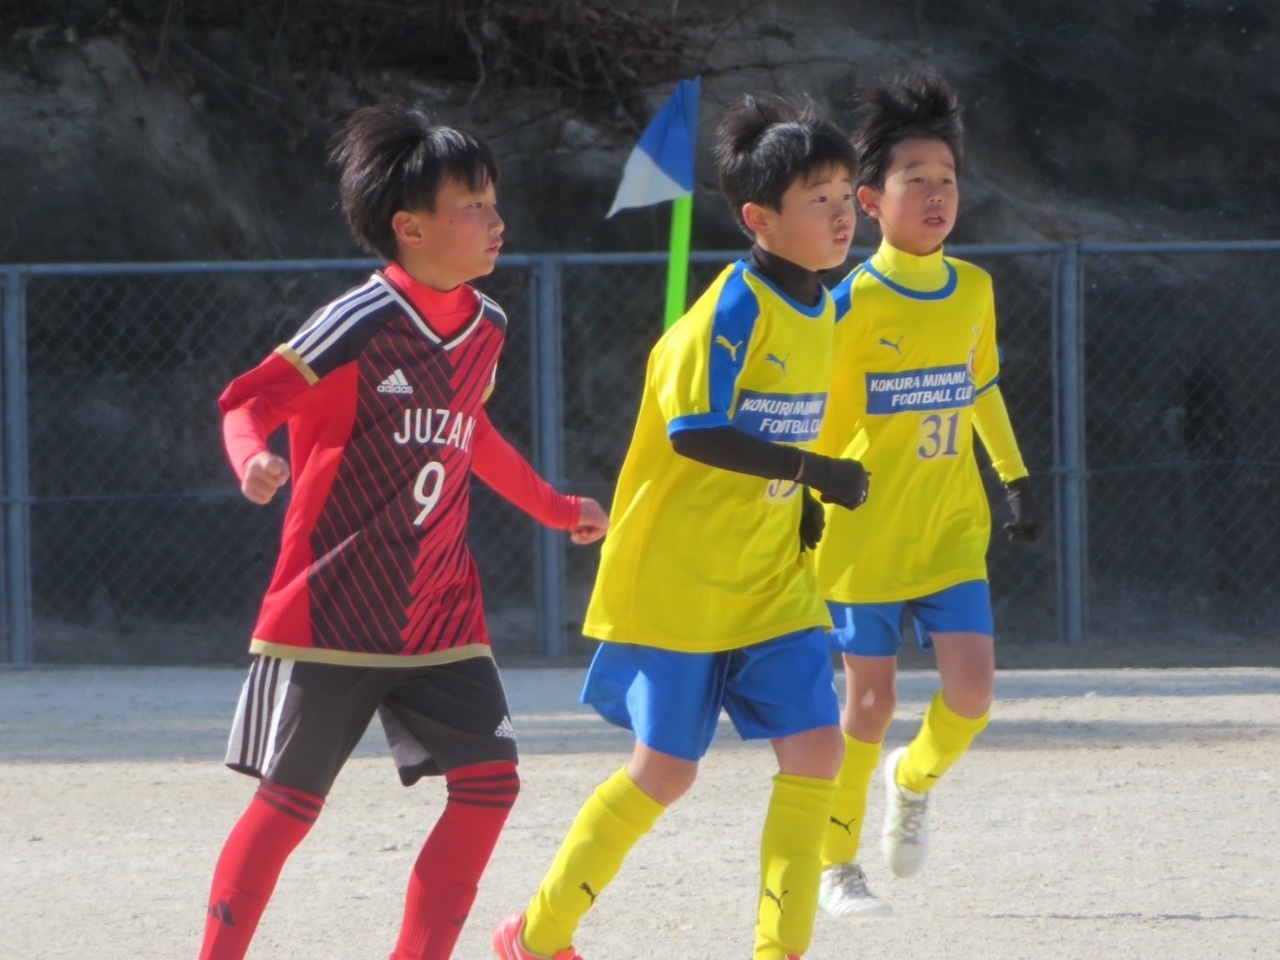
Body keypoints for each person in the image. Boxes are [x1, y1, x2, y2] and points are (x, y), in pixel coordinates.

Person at [198, 104, 609, 960]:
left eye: (494, 202)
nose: (496, 220)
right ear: (411, 228)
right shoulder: (360, 320)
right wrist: (251, 459)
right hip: (333, 611)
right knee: (290, 805)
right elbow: (248, 400)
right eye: (474, 206)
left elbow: (473, 433)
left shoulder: (487, 325)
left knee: (490, 786)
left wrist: (555, 506)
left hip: (440, 612)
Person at [492, 91, 868, 960]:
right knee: (666, 771)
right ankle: (538, 935)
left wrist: (806, 501)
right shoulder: (730, 311)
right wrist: (814, 473)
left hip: (771, 581)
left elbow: (787, 425)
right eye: (818, 198)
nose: (842, 212)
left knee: (817, 752)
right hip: (680, 583)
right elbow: (696, 433)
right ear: (758, 219)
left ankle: (778, 950)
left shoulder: (825, 306)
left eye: (846, 193)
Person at [812, 72, 1045, 919]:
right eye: (917, 179)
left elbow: (980, 389)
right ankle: (837, 866)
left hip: (949, 527)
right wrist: (800, 495)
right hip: (864, 534)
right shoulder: (850, 301)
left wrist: (1014, 476)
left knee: (973, 694)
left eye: (947, 178)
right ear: (872, 200)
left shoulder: (974, 289)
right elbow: (817, 414)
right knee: (869, 704)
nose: (938, 193)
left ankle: (910, 782)